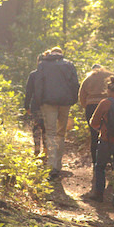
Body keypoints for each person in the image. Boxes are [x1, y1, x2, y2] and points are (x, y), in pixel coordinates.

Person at [30, 46, 80, 179]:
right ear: (61, 54)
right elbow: (75, 84)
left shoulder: (43, 65)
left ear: (50, 54)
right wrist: (73, 100)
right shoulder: (69, 65)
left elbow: (38, 84)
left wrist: (40, 102)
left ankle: (51, 166)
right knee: (61, 134)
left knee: (50, 132)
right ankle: (58, 165)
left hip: (48, 102)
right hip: (65, 102)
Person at [78, 64, 114, 166]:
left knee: (94, 134)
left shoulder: (88, 78)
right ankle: (109, 160)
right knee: (110, 132)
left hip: (91, 106)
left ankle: (96, 161)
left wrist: (87, 106)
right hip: (110, 105)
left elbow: (81, 95)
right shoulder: (111, 75)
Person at [24, 52, 48, 157]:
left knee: (36, 127)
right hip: (49, 105)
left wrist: (26, 105)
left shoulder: (33, 75)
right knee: (46, 127)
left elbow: (28, 91)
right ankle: (46, 150)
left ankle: (37, 149)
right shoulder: (50, 75)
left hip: (35, 105)